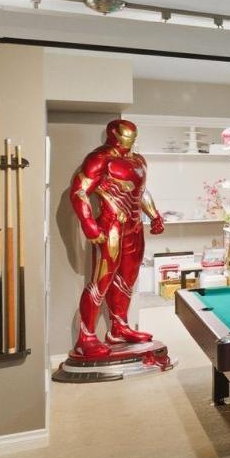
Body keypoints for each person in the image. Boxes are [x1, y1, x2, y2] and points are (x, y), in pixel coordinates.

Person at [69, 119, 165, 358]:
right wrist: (89, 225)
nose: (129, 141)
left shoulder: (139, 160)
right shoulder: (100, 159)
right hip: (110, 226)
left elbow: (140, 192)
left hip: (134, 226)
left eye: (133, 136)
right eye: (125, 136)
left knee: (127, 280)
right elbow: (79, 191)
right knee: (101, 281)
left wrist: (154, 215)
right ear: (113, 134)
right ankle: (85, 338)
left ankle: (119, 328)